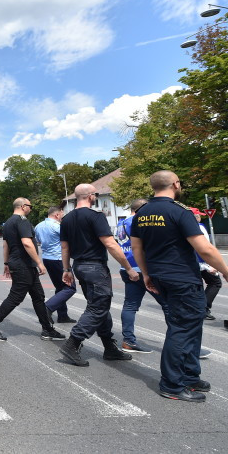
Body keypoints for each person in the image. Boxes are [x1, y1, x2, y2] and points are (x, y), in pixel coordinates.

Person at [131, 171, 228, 402]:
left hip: (160, 277)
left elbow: (137, 249)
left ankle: (190, 375)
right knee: (182, 329)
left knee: (191, 326)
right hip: (182, 279)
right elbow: (204, 249)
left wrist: (146, 274)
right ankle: (172, 384)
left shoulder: (141, 213)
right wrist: (225, 270)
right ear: (175, 184)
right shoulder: (179, 211)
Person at [58, 184, 135, 367]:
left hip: (80, 267)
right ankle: (73, 343)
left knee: (99, 307)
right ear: (91, 196)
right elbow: (110, 244)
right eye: (96, 195)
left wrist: (66, 269)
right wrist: (129, 267)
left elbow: (64, 247)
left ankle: (109, 347)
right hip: (95, 268)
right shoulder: (96, 216)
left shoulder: (66, 219)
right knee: (98, 308)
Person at [0, 198, 64, 342]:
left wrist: (6, 262)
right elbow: (27, 243)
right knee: (16, 296)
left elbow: (5, 245)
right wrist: (39, 262)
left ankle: (47, 329)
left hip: (22, 264)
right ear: (23, 206)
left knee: (38, 296)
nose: (31, 209)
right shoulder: (22, 221)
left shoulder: (8, 223)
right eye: (30, 206)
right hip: (23, 265)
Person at [115, 199, 167, 353]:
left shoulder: (121, 223)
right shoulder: (139, 221)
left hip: (127, 267)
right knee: (168, 304)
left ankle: (128, 340)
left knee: (130, 305)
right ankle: (182, 343)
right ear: (142, 209)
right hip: (143, 268)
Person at [35, 206, 76, 324]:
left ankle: (62, 315)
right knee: (70, 287)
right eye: (62, 215)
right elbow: (68, 240)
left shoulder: (38, 226)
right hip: (58, 258)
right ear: (57, 215)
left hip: (47, 258)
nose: (62, 218)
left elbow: (38, 241)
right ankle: (47, 307)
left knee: (60, 287)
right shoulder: (57, 226)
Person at [191, 208, 222, 321]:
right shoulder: (199, 227)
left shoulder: (180, 228)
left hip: (188, 263)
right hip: (201, 262)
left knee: (195, 285)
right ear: (196, 217)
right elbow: (205, 248)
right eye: (199, 215)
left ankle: (195, 309)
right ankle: (203, 309)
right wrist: (212, 264)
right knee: (215, 282)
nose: (200, 217)